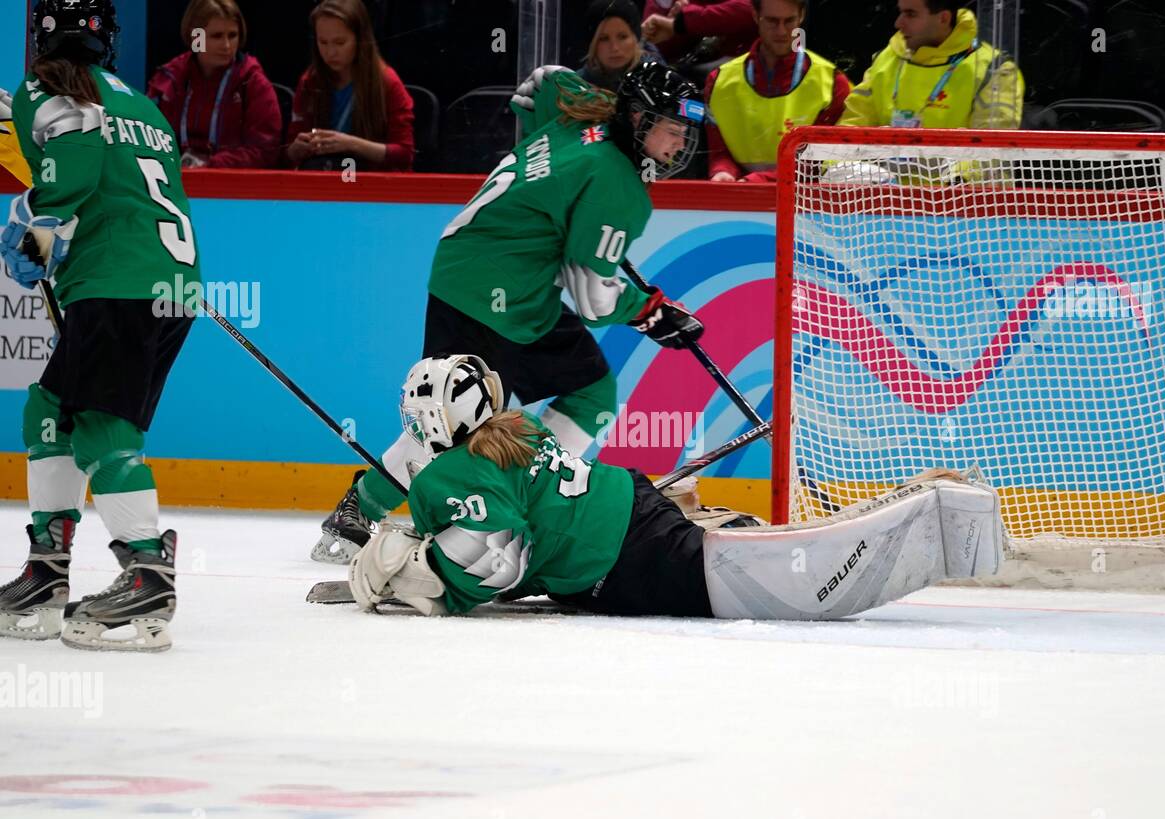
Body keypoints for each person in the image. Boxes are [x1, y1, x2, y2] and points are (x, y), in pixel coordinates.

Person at [310, 61, 710, 564]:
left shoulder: (584, 109)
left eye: (685, 131)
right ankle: (365, 509)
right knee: (458, 420)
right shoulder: (618, 184)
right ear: (638, 120)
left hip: (493, 278)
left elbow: (541, 83)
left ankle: (528, 496)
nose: (680, 145)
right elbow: (593, 299)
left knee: (574, 392)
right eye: (672, 129)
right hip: (492, 288)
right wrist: (651, 315)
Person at [345, 355, 1003, 620]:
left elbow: (498, 555)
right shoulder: (516, 428)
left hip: (622, 563)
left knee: (746, 584)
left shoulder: (446, 476)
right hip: (634, 507)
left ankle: (923, 509)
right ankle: (743, 528)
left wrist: (408, 572)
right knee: (718, 547)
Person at [0, 0, 200, 652]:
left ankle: (148, 575)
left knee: (103, 430)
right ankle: (46, 571)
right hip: (166, 283)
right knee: (51, 409)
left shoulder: (48, 85)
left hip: (117, 285)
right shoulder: (137, 101)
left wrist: (36, 225)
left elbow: (77, 163)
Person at [704, 0, 852, 183]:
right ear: (755, 16)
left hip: (806, 205)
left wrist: (755, 181)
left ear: (802, 16)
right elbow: (719, 152)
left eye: (789, 21)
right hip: (740, 198)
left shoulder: (833, 84)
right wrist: (722, 172)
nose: (781, 31)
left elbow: (817, 165)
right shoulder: (718, 82)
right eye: (772, 21)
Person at [837, 0, 1023, 132]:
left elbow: (992, 150)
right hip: (882, 186)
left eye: (910, 14)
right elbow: (851, 127)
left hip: (957, 187)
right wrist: (837, 168)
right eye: (900, 12)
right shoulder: (886, 59)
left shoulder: (995, 70)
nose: (898, 23)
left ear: (943, 18)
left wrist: (955, 183)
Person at [145, 0, 281, 169]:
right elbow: (145, 138)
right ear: (196, 38)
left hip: (231, 186)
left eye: (232, 35)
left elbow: (265, 151)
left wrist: (210, 165)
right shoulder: (168, 80)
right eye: (217, 36)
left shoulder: (253, 83)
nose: (226, 46)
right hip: (171, 180)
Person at [285, 0, 415, 173]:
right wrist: (297, 148)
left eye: (340, 43)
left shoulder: (387, 83)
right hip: (322, 181)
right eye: (323, 42)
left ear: (360, 40)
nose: (330, 52)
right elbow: (288, 153)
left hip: (371, 185)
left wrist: (351, 144)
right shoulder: (310, 81)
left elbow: (404, 154)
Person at [641, 0, 758, 80]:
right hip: (695, 61)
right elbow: (658, 40)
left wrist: (680, 22)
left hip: (744, 69)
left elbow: (748, 10)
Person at [579, 0, 665, 93]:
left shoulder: (661, 83)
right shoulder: (574, 87)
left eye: (623, 37)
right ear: (593, 44)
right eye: (604, 39)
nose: (614, 48)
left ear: (635, 39)